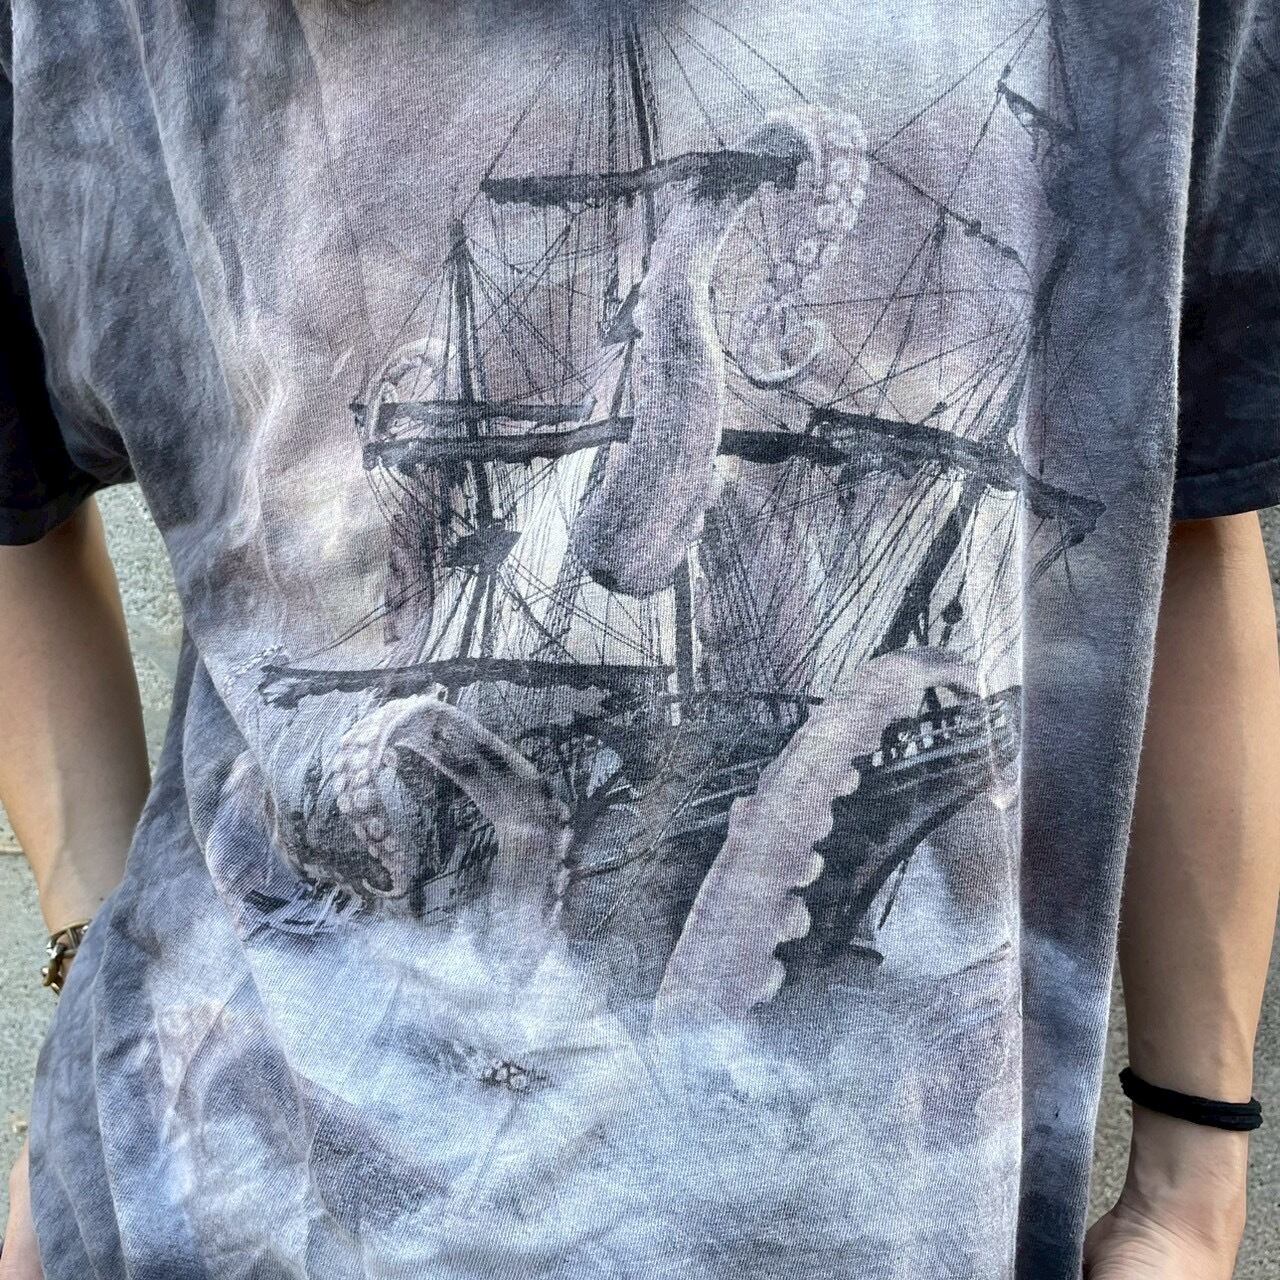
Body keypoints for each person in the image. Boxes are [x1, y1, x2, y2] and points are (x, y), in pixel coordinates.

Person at [1, 1, 1279, 1277]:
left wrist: (1189, 1177)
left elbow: (1184, 519)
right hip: (210, 1206)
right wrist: (93, 975)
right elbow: (18, 505)